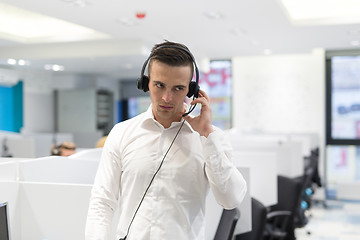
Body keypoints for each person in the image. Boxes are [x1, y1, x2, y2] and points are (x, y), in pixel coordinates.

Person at [85, 41, 247, 240]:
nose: (167, 98)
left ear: (192, 90)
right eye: (159, 85)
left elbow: (230, 199)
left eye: (178, 88)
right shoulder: (121, 133)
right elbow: (102, 202)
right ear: (146, 83)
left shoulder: (211, 138)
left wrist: (206, 135)